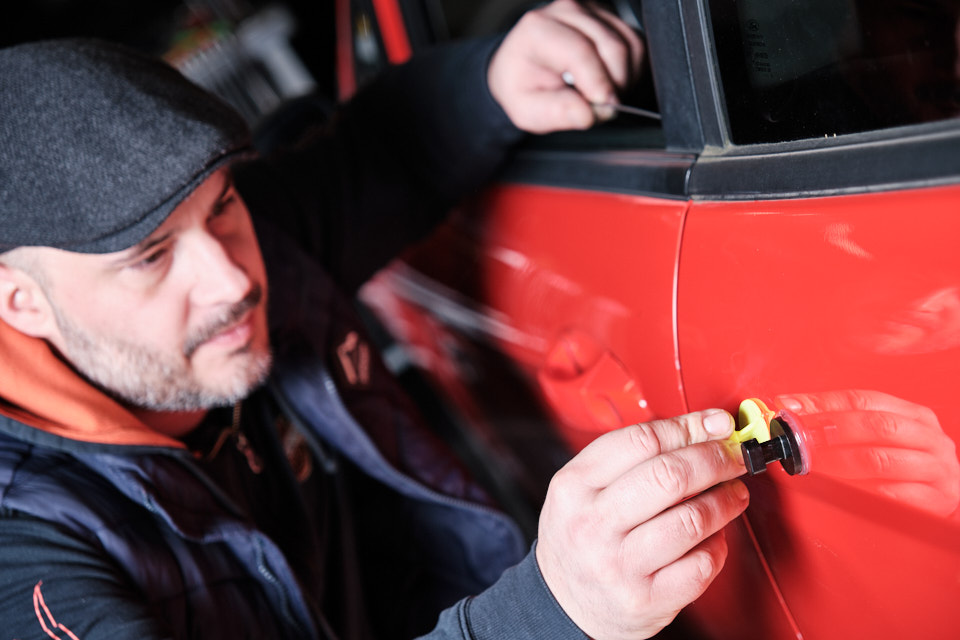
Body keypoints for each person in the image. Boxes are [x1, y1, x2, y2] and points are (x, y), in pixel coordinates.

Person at [0, 1, 748, 638]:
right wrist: (545, 613)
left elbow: (385, 154)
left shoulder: (244, 243)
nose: (231, 278)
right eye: (150, 258)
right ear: (19, 300)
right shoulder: (27, 561)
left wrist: (496, 80)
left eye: (223, 205)